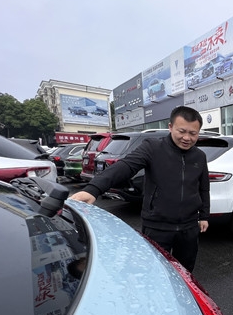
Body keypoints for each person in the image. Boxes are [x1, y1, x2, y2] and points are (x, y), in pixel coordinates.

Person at [70, 106, 210, 272]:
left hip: (189, 227)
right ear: (170, 127)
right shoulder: (153, 148)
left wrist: (204, 216)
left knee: (185, 272)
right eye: (182, 131)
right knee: (154, 271)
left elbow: (203, 187)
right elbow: (126, 166)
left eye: (193, 133)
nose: (187, 138)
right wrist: (93, 189)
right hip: (157, 226)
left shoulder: (199, 156)